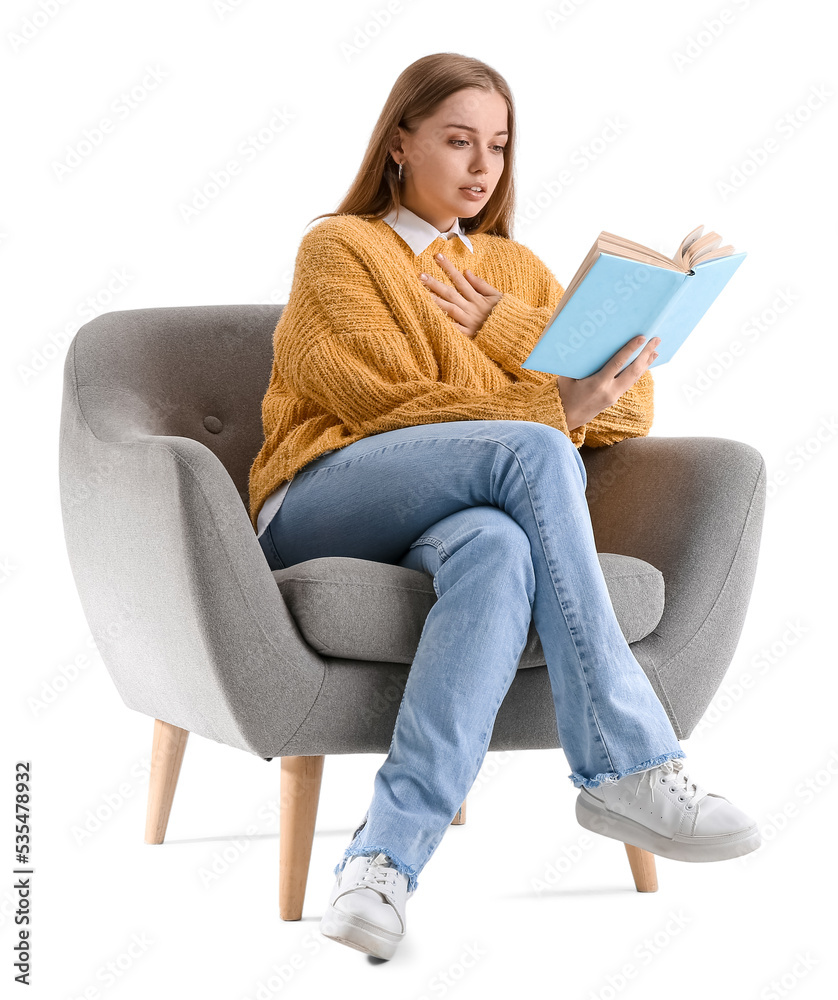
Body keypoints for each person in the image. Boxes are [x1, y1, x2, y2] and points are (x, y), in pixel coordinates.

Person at [248, 52, 761, 961]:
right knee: (529, 445)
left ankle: (381, 868)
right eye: (457, 141)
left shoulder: (514, 272)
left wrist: (504, 328)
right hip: (324, 493)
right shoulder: (342, 247)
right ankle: (628, 762)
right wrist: (544, 407)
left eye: (497, 144)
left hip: (454, 512)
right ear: (400, 143)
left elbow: (629, 408)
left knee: (497, 549)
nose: (482, 167)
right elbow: (385, 404)